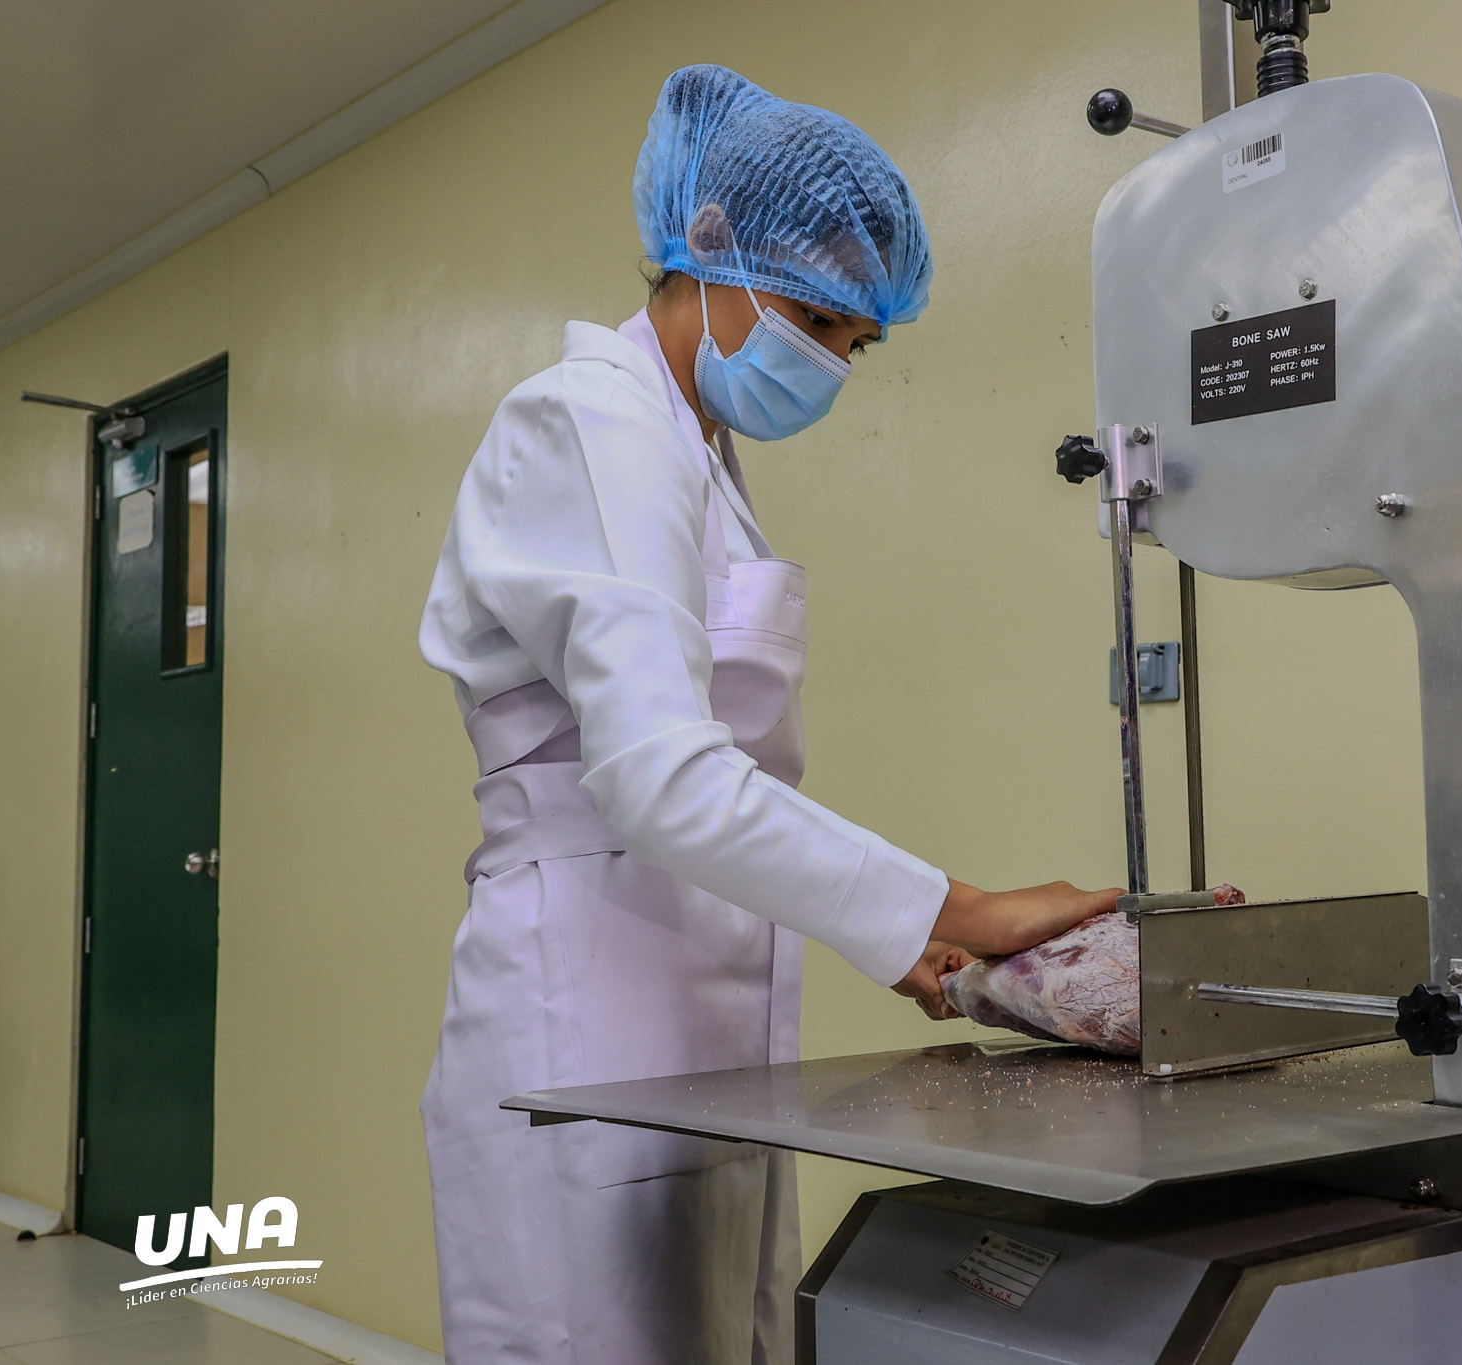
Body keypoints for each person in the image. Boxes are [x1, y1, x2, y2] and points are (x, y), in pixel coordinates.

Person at [417, 65, 1114, 1364]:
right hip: (584, 1010)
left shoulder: (693, 456)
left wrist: (911, 946)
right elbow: (661, 779)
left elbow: (719, 773)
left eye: (855, 340)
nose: (834, 360)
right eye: (813, 316)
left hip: (700, 1007)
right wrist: (954, 907)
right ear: (709, 250)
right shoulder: (591, 424)